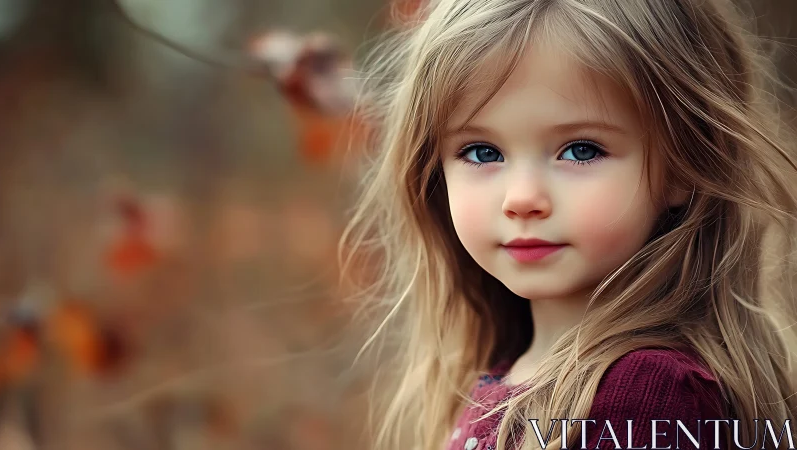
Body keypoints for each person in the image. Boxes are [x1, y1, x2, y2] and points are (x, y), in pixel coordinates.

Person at [338, 0, 797, 449]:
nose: (522, 199)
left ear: (682, 167)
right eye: (482, 152)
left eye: (580, 150)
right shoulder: (508, 370)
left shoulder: (645, 399)